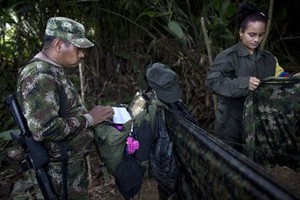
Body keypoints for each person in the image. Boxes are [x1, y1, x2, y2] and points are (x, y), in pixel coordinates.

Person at [17, 17, 114, 199]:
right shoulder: (40, 74)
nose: (82, 54)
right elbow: (44, 128)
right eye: (78, 48)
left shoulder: (52, 70)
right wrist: (90, 119)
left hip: (68, 167)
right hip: (59, 172)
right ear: (59, 44)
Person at [206, 1, 288, 152]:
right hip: (231, 128)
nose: (256, 40)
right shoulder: (228, 57)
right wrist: (244, 83)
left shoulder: (269, 59)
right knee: (230, 167)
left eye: (261, 35)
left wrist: (293, 78)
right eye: (252, 34)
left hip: (259, 127)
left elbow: (280, 77)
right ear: (241, 32)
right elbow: (212, 82)